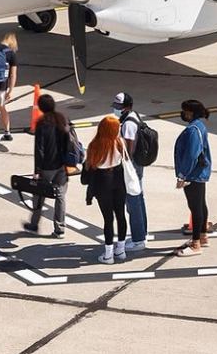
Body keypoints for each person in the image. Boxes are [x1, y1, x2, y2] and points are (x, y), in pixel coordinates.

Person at [23, 94, 76, 237]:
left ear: (41, 107)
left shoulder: (42, 123)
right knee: (60, 197)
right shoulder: (63, 119)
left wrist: (37, 170)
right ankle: (60, 229)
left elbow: (39, 149)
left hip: (47, 166)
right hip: (62, 165)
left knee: (39, 196)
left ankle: (34, 224)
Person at [83, 114, 130, 264]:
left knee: (108, 219)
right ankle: (121, 250)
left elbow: (89, 167)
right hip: (118, 181)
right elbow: (125, 160)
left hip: (102, 183)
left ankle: (108, 254)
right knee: (121, 215)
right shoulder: (119, 143)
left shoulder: (94, 145)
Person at [173, 100, 212, 257]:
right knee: (201, 205)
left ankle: (196, 243)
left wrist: (183, 175)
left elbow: (191, 155)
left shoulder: (192, 130)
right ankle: (202, 236)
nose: (183, 114)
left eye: (185, 111)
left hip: (193, 174)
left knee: (195, 207)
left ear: (190, 113)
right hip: (199, 173)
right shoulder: (199, 126)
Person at [115, 92, 149, 252]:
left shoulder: (128, 124)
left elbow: (128, 150)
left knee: (133, 202)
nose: (116, 110)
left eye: (118, 107)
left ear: (126, 107)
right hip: (137, 166)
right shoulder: (134, 115)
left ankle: (138, 240)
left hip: (131, 168)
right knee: (139, 198)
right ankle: (142, 233)